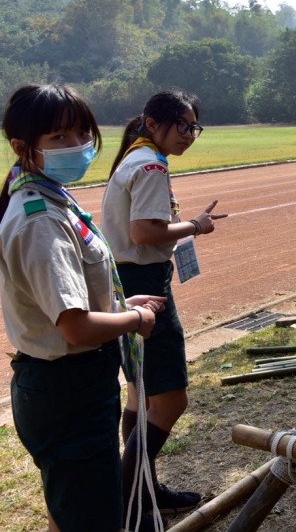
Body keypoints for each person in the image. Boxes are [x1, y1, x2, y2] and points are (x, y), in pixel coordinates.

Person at [0, 84, 163, 532]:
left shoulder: (47, 198)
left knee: (69, 510)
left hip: (63, 387)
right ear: (21, 147)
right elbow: (74, 328)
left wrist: (118, 303)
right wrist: (136, 319)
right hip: (69, 390)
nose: (75, 147)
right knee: (91, 517)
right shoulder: (41, 219)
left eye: (80, 135)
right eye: (58, 139)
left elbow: (66, 304)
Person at [102, 91, 227, 518]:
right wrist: (196, 225)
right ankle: (132, 500)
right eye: (182, 125)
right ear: (153, 123)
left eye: (194, 126)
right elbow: (143, 233)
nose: (189, 134)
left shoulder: (135, 158)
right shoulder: (151, 163)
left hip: (126, 281)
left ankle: (142, 490)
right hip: (143, 283)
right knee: (171, 400)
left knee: (140, 396)